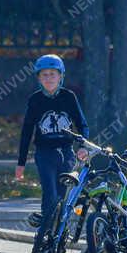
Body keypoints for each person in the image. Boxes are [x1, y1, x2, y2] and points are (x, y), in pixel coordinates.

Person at [14, 54, 89, 231]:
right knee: (50, 193)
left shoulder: (69, 97)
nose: (49, 78)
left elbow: (82, 124)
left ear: (61, 76)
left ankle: (60, 232)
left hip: (67, 152)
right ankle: (45, 233)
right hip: (44, 153)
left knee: (64, 195)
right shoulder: (35, 99)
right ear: (38, 78)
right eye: (44, 75)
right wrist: (21, 163)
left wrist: (83, 146)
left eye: (53, 74)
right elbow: (26, 132)